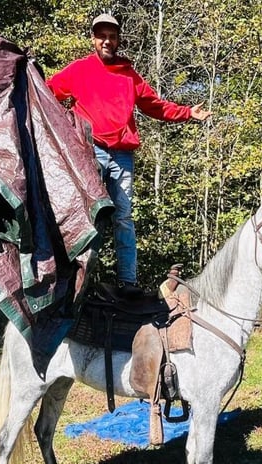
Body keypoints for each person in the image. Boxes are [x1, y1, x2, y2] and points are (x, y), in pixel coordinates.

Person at [46, 13, 212, 297]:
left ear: (118, 39)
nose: (107, 41)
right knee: (90, 215)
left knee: (123, 216)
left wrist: (187, 113)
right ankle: (77, 279)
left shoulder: (128, 74)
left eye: (112, 36)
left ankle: (127, 282)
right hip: (91, 152)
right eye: (102, 36)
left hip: (122, 155)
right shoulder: (79, 70)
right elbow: (47, 93)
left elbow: (154, 105)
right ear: (94, 39)